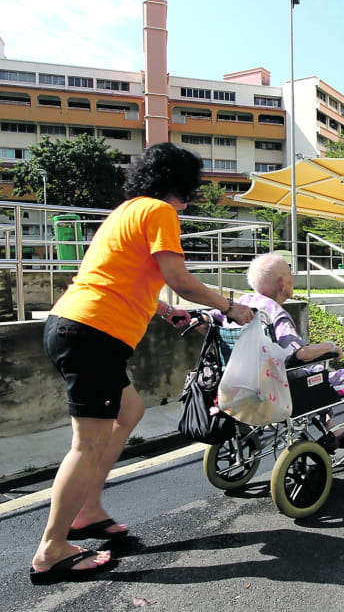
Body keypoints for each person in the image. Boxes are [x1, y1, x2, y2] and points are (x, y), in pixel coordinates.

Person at [31, 143, 255, 585]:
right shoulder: (160, 211)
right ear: (182, 185)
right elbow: (179, 279)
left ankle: (88, 509)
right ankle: (51, 549)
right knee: (87, 443)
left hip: (75, 325)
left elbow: (120, 274)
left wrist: (162, 308)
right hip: (93, 334)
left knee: (129, 410)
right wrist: (230, 306)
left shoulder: (126, 211)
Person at [213, 252, 344, 461]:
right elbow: (301, 353)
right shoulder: (275, 314)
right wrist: (331, 347)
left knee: (314, 375)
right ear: (282, 282)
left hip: (247, 384)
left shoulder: (240, 305)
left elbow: (211, 318)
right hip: (281, 388)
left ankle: (333, 428)